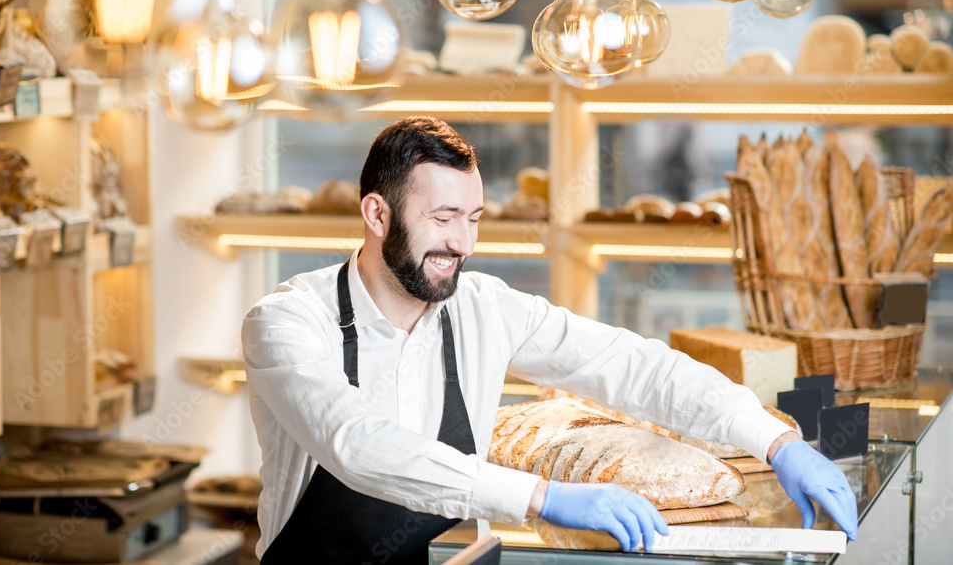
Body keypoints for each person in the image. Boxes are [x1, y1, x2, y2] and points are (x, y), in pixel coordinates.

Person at [242, 116, 858, 564]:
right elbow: (358, 447)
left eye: (474, 218)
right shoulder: (289, 323)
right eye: (442, 218)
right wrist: (542, 496)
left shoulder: (485, 309)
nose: (463, 244)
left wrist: (774, 440)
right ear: (377, 215)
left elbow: (630, 366)